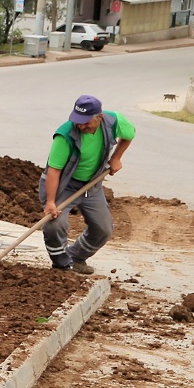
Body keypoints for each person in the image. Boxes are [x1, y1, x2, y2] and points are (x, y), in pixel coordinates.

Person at [41, 94, 132, 274]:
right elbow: (54, 170)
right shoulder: (65, 135)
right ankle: (61, 266)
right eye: (78, 121)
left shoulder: (114, 121)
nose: (81, 125)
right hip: (64, 185)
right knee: (54, 224)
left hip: (92, 184)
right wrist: (50, 201)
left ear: (99, 118)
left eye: (86, 122)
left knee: (103, 229)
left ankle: (75, 257)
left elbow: (130, 134)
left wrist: (116, 157)